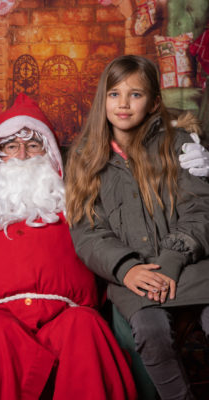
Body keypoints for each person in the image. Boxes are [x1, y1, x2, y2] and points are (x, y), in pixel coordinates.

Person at [0, 93, 138, 400]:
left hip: (67, 314)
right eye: (11, 147)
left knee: (85, 326)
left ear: (50, 153)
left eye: (33, 145)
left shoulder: (76, 196)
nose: (23, 155)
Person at [65, 55, 209, 400]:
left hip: (189, 265)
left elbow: (200, 209)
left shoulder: (178, 144)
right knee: (149, 329)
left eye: (135, 94)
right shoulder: (86, 158)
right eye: (114, 94)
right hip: (135, 275)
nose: (124, 104)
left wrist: (173, 259)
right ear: (103, 100)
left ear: (154, 102)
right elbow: (88, 233)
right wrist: (126, 269)